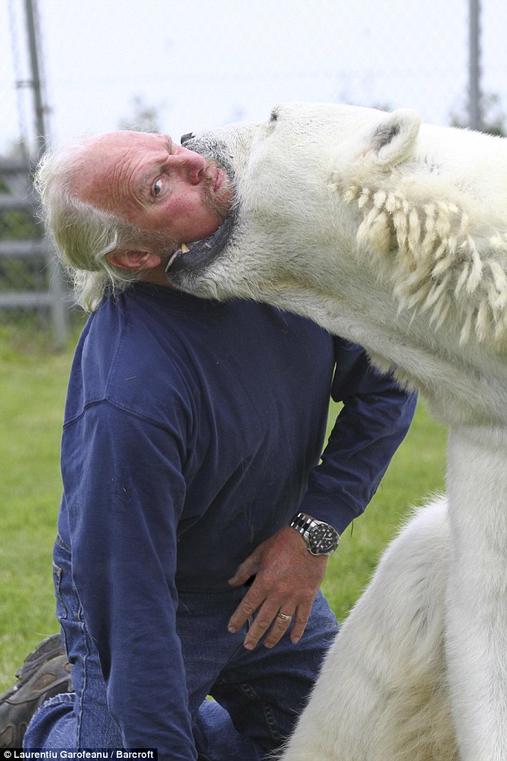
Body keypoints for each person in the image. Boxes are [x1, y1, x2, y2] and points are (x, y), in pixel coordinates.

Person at [0, 131, 416, 760]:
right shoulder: (130, 396)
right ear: (136, 257)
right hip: (150, 594)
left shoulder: (284, 264)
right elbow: (133, 602)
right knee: (142, 744)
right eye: (158, 185)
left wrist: (310, 533)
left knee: (365, 743)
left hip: (267, 576)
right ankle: (47, 716)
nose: (193, 163)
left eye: (169, 147)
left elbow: (389, 384)